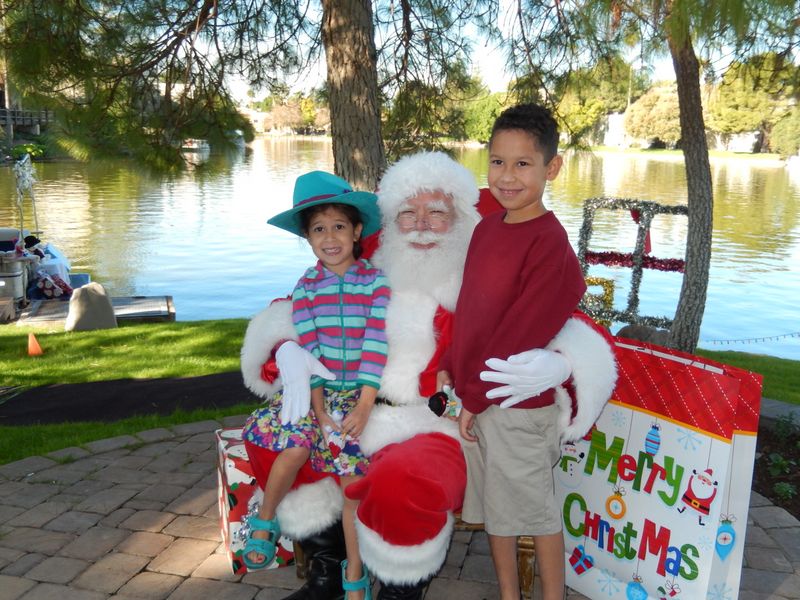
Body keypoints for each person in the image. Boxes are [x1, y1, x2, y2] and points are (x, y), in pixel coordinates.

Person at [240, 152, 618, 600]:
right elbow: (296, 310)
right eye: (407, 212)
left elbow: (560, 313)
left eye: (437, 212)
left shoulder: (485, 273)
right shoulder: (366, 269)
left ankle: (401, 588)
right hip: (352, 410)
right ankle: (329, 575)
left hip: (437, 424)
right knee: (270, 439)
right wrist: (286, 351)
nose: (420, 224)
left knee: (405, 480)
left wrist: (562, 361)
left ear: (460, 218)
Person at [438, 103, 582, 600]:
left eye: (523, 163)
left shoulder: (549, 243)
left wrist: (475, 396)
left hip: (518, 406)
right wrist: (453, 376)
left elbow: (519, 334)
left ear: (552, 167)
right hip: (479, 398)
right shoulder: (487, 228)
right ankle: (508, 595)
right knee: (497, 511)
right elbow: (473, 315)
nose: (507, 175)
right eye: (497, 161)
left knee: (536, 512)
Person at [241, 170, 389, 600]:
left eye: (339, 227)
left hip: (362, 393)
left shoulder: (376, 284)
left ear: (357, 230)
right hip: (316, 394)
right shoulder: (306, 288)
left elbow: (376, 344)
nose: (329, 237)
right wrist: (320, 412)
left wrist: (363, 406)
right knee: (295, 443)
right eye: (318, 229)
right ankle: (265, 523)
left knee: (351, 483)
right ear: (307, 237)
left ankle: (355, 575)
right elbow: (310, 353)